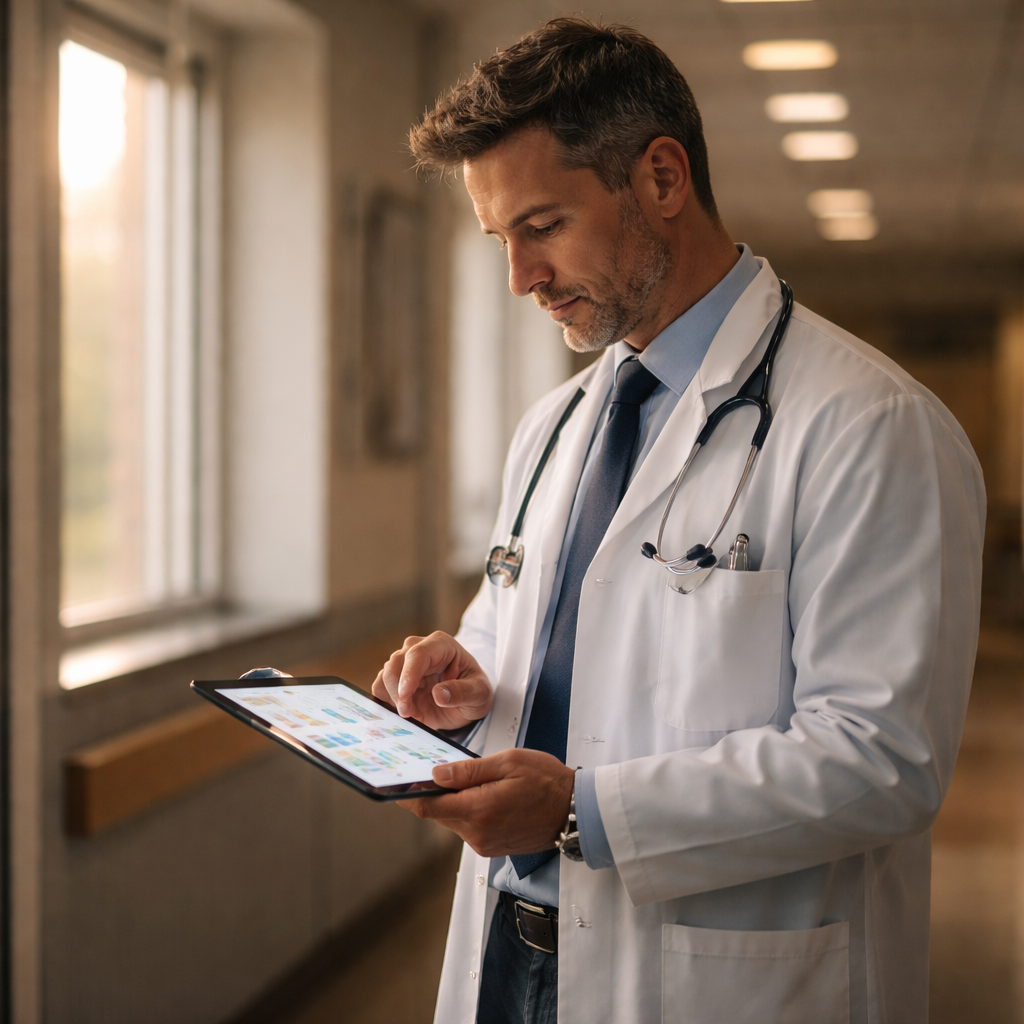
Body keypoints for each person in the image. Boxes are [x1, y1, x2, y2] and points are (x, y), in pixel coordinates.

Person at [371, 18, 985, 1024]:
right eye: (499, 241)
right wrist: (466, 680)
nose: (519, 278)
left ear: (661, 179)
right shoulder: (554, 425)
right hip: (510, 956)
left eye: (542, 227)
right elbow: (529, 636)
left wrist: (580, 808)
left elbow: (883, 757)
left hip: (722, 980)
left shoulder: (870, 426)